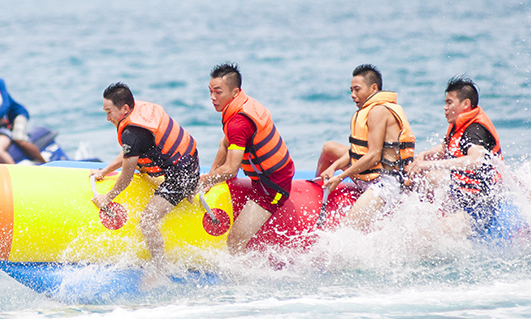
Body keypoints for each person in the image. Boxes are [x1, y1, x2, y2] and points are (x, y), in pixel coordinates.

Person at [91, 82, 199, 265]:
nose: (107, 118)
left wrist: (106, 198)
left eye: (109, 112)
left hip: (181, 175)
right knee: (143, 166)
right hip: (189, 158)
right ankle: (190, 185)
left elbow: (126, 176)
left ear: (124, 108)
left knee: (147, 221)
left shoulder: (132, 133)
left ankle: (160, 267)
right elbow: (131, 152)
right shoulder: (136, 110)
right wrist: (105, 171)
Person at [197, 62, 295, 254]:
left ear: (235, 92)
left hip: (273, 184)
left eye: (218, 92)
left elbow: (232, 169)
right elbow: (225, 144)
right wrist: (211, 177)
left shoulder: (239, 122)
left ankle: (240, 283)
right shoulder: (241, 105)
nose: (212, 98)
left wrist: (201, 181)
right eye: (210, 91)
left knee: (234, 241)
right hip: (264, 176)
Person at [318, 64, 415, 230]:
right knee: (329, 148)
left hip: (386, 182)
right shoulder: (368, 111)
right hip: (368, 176)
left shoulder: (378, 111)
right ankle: (318, 194)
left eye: (357, 89)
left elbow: (374, 156)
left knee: (347, 231)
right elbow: (358, 151)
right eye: (351, 90)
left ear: (373, 88)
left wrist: (341, 177)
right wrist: (334, 167)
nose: (352, 95)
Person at [407, 75, 503, 230]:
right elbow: (447, 149)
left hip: (481, 204)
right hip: (460, 193)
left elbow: (475, 161)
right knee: (424, 176)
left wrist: (429, 165)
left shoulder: (475, 131)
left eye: (449, 102)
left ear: (465, 104)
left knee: (439, 231)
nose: (445, 107)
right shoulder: (458, 126)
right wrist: (424, 156)